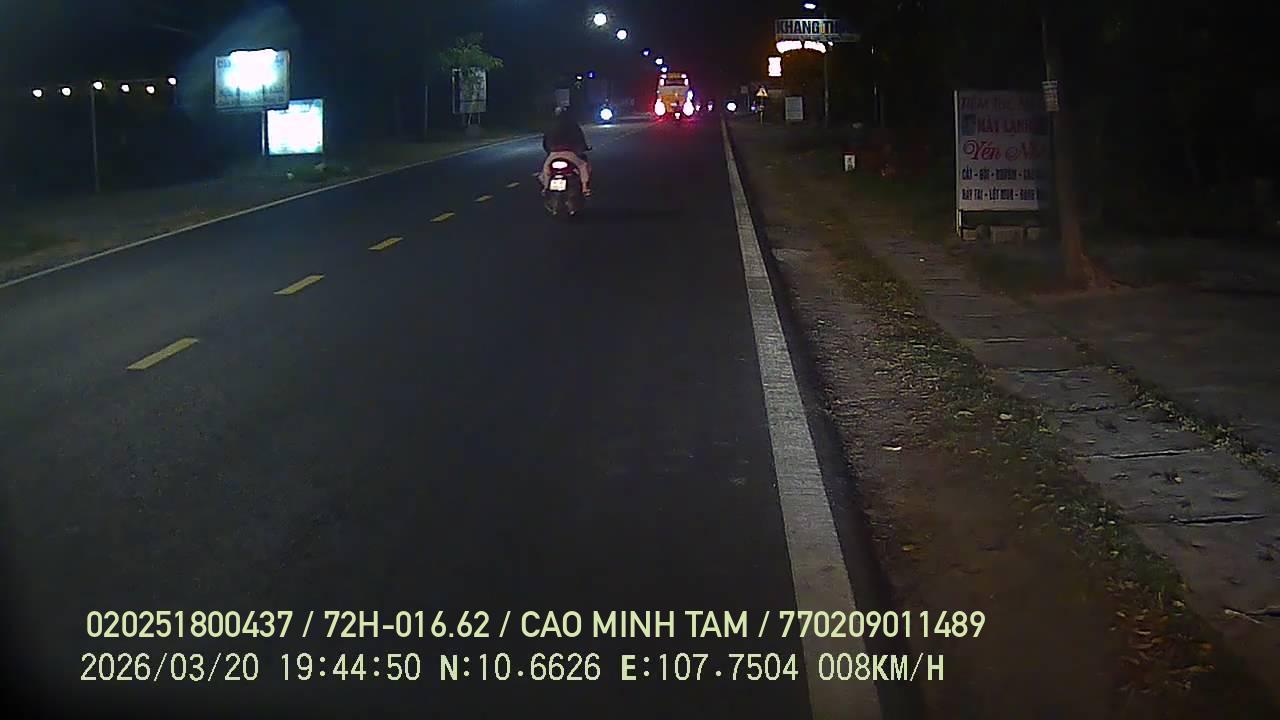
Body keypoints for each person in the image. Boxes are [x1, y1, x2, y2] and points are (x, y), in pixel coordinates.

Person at [540, 106, 592, 196]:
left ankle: (545, 187)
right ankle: (585, 188)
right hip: (569, 153)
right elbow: (580, 139)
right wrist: (584, 147)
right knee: (582, 166)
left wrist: (550, 151)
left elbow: (545, 142)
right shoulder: (572, 125)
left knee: (546, 170)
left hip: (553, 154)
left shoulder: (550, 126)